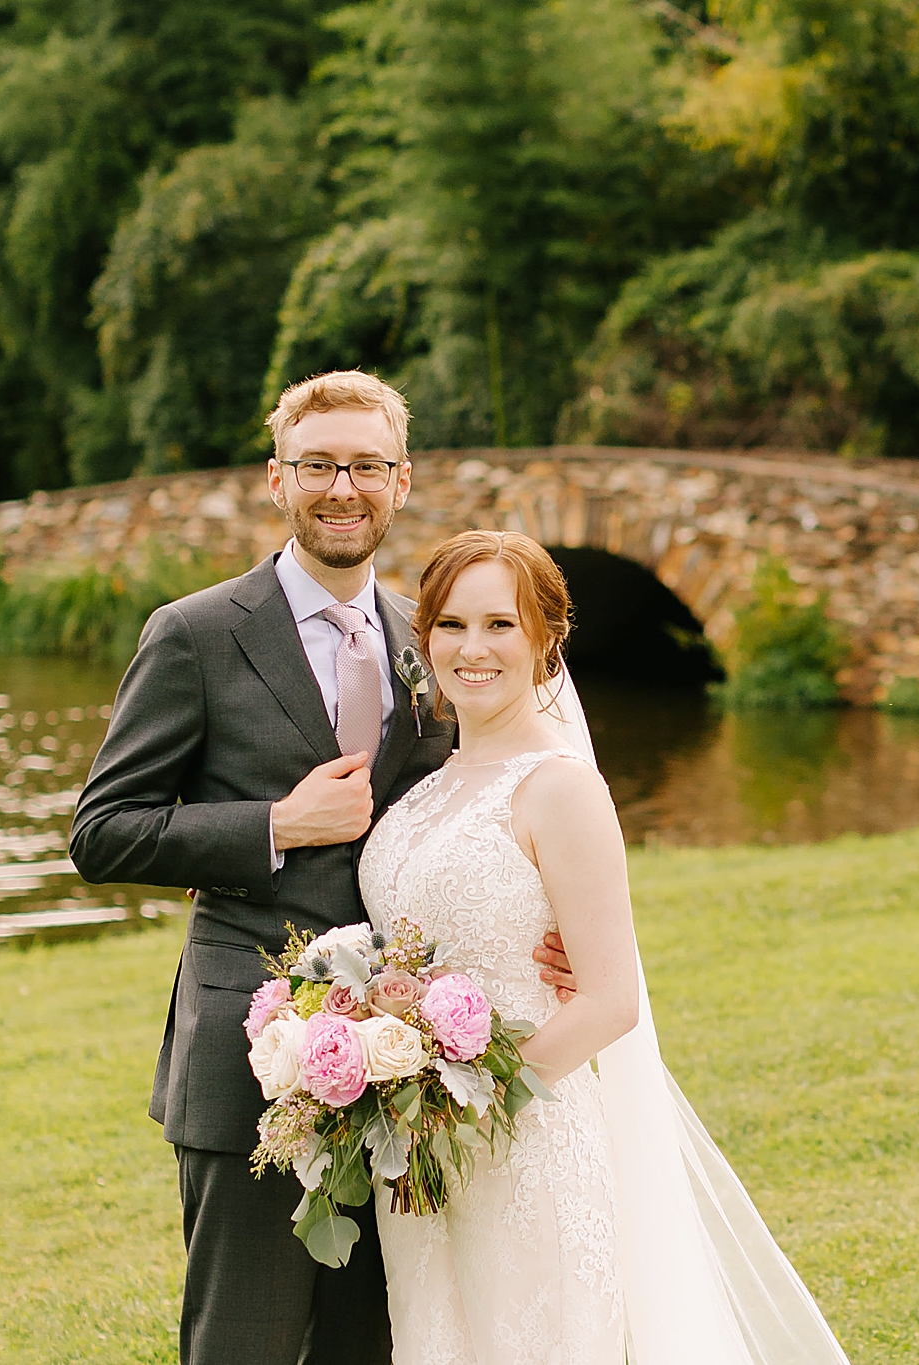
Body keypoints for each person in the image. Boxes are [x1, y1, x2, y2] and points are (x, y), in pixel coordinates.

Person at [69, 372, 577, 1365]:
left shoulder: (423, 639)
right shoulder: (197, 634)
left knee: (377, 1345)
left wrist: (539, 928)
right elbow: (104, 829)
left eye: (365, 466)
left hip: (406, 1069)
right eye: (318, 466)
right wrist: (272, 825)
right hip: (249, 1059)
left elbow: (481, 802)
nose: (342, 488)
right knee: (243, 1344)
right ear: (277, 480)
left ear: (400, 480)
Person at [362, 530, 852, 1365]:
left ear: (545, 639)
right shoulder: (423, 791)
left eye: (499, 625)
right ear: (425, 640)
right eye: (449, 625)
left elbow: (610, 998)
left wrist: (465, 1110)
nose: (471, 649)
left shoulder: (561, 787)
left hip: (519, 1143)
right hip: (418, 1159)